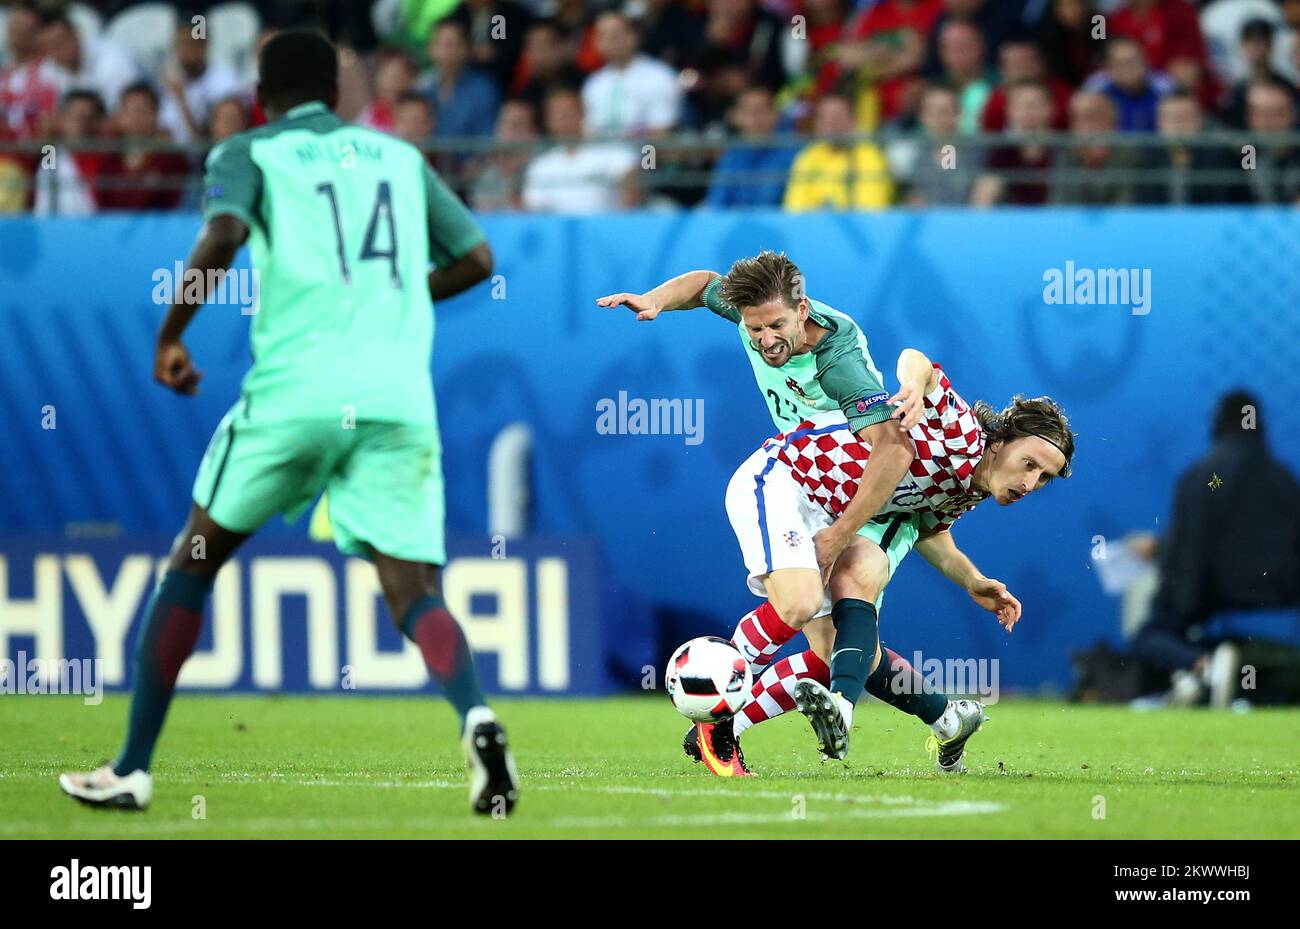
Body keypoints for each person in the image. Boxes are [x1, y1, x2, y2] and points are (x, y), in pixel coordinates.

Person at [58, 29, 518, 817]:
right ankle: (476, 715)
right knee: (411, 588)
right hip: (397, 399)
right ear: (335, 94)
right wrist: (394, 300)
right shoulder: (399, 158)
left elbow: (225, 231)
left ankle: (133, 766)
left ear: (263, 94)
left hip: (295, 395)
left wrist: (172, 335)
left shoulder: (249, 151)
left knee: (193, 561)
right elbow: (479, 258)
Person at [596, 252, 1003, 776]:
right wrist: (656, 300)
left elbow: (894, 447)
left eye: (777, 326)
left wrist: (839, 533)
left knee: (836, 647)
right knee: (806, 605)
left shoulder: (839, 360)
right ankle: (719, 718)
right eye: (755, 328)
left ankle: (943, 717)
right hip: (789, 477)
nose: (765, 339)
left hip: (827, 486)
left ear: (803, 310)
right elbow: (703, 285)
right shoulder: (757, 310)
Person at [745, 358, 1074, 764]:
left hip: (861, 515)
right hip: (800, 478)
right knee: (851, 650)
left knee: (852, 588)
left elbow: (931, 532)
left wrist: (972, 580)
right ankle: (947, 719)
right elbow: (917, 359)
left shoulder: (974, 488)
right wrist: (916, 387)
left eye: (1043, 477)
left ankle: (833, 709)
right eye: (1029, 463)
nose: (1030, 482)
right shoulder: (963, 435)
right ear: (999, 442)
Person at [1133, 391, 1300, 708]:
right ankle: (1239, 679)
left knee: (1149, 635)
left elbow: (1187, 561)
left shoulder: (1201, 477)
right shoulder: (1287, 481)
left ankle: (1201, 666)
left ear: (1217, 424)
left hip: (1212, 611)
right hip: (1280, 612)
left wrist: (1180, 613)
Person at [522, 86, 638, 213]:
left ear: (583, 113)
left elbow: (634, 172)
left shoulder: (609, 150)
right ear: (549, 122)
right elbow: (534, 209)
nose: (564, 121)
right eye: (558, 116)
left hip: (606, 227)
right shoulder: (541, 165)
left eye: (569, 113)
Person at [783, 93, 894, 211]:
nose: (831, 125)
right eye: (825, 118)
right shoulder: (808, 156)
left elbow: (871, 209)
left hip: (852, 227)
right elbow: (794, 208)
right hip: (812, 227)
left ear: (853, 121)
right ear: (817, 125)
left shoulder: (870, 156)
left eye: (838, 117)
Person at [705, 86, 798, 208]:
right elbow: (717, 206)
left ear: (776, 115)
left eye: (761, 111)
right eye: (748, 111)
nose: (755, 119)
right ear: (736, 117)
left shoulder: (794, 154)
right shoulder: (730, 157)